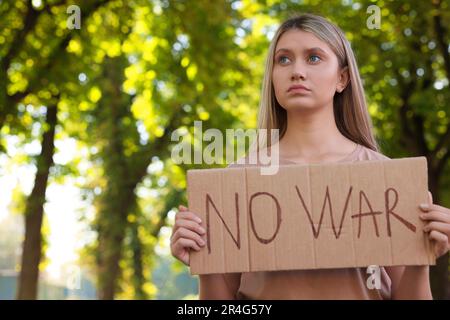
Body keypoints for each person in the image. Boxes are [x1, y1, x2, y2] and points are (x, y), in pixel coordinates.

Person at [170, 13, 450, 299]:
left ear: (342, 78)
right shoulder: (235, 182)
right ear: (273, 76)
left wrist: (421, 259)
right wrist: (206, 260)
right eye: (284, 59)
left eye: (314, 58)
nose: (297, 71)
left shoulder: (386, 178)